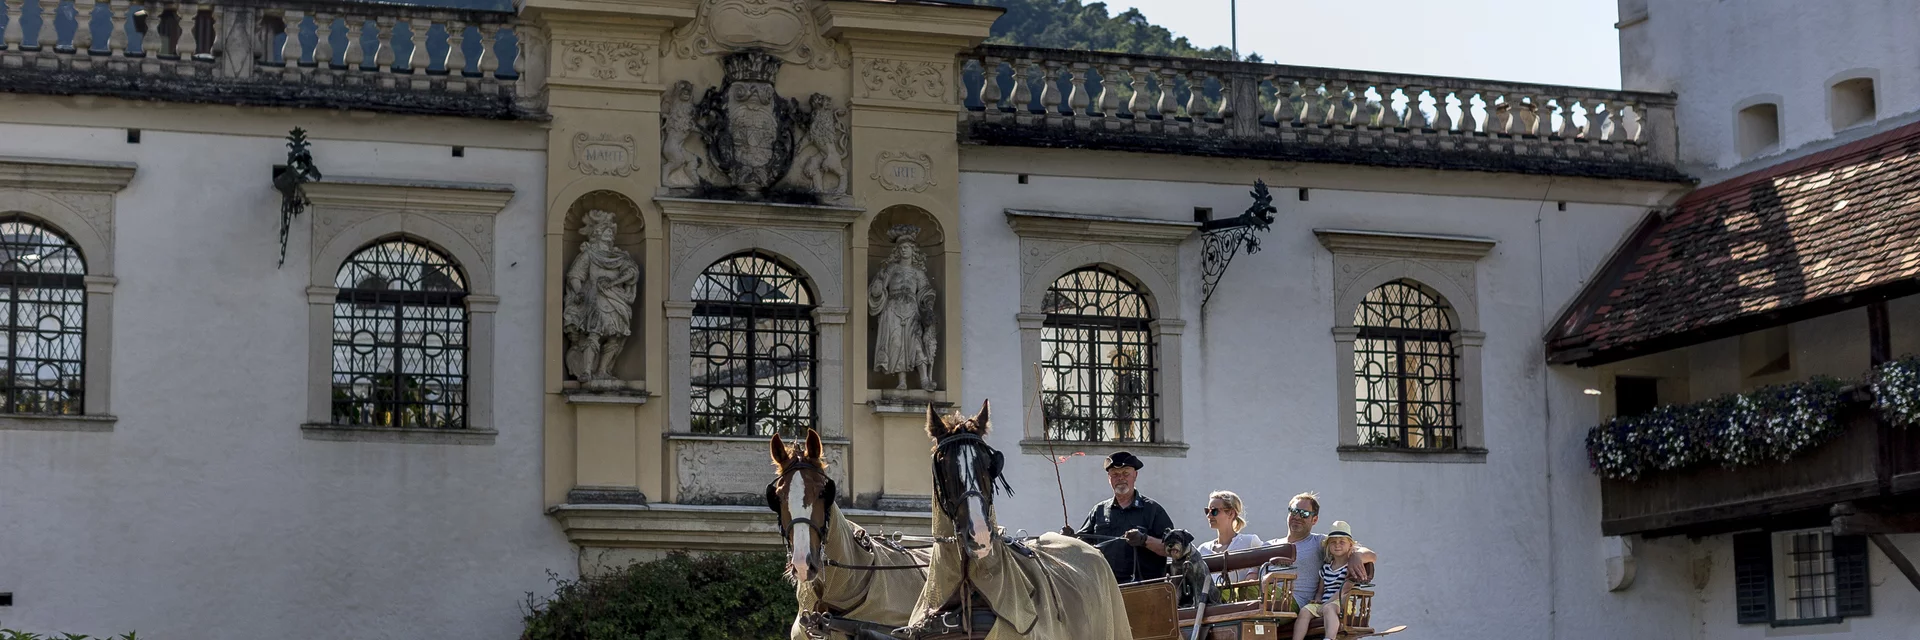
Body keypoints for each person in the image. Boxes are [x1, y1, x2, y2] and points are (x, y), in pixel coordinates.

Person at [1066, 451, 1175, 583]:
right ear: (1109, 478)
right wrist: (1068, 539)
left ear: (1135, 475)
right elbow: (1082, 547)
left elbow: (1172, 549)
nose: (1120, 478)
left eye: (1125, 473)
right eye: (1115, 475)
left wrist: (1145, 540)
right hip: (1107, 589)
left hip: (1145, 590)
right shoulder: (1099, 511)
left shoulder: (1153, 510)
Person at [1266, 492, 1376, 611]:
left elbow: (1371, 555)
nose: (1297, 517)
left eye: (1304, 514)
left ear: (1314, 519)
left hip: (1291, 602)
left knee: (1253, 590)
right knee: (1247, 589)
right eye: (1294, 511)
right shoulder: (1268, 545)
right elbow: (1252, 575)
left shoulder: (1320, 542)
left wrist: (1356, 555)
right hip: (1264, 597)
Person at [1292, 521, 1360, 640]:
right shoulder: (1326, 568)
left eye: (1342, 542)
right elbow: (1320, 590)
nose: (1337, 545)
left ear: (1350, 545)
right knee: (1305, 611)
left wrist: (1326, 604)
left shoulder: (1350, 567)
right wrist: (1318, 600)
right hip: (1324, 603)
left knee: (1330, 609)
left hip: (1343, 604)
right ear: (1328, 546)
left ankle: (1329, 638)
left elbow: (1345, 589)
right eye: (1333, 542)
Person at [1195, 490, 1262, 587]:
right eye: (1207, 511)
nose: (1208, 515)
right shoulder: (1202, 549)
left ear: (1231, 514)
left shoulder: (1250, 541)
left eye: (1214, 511)